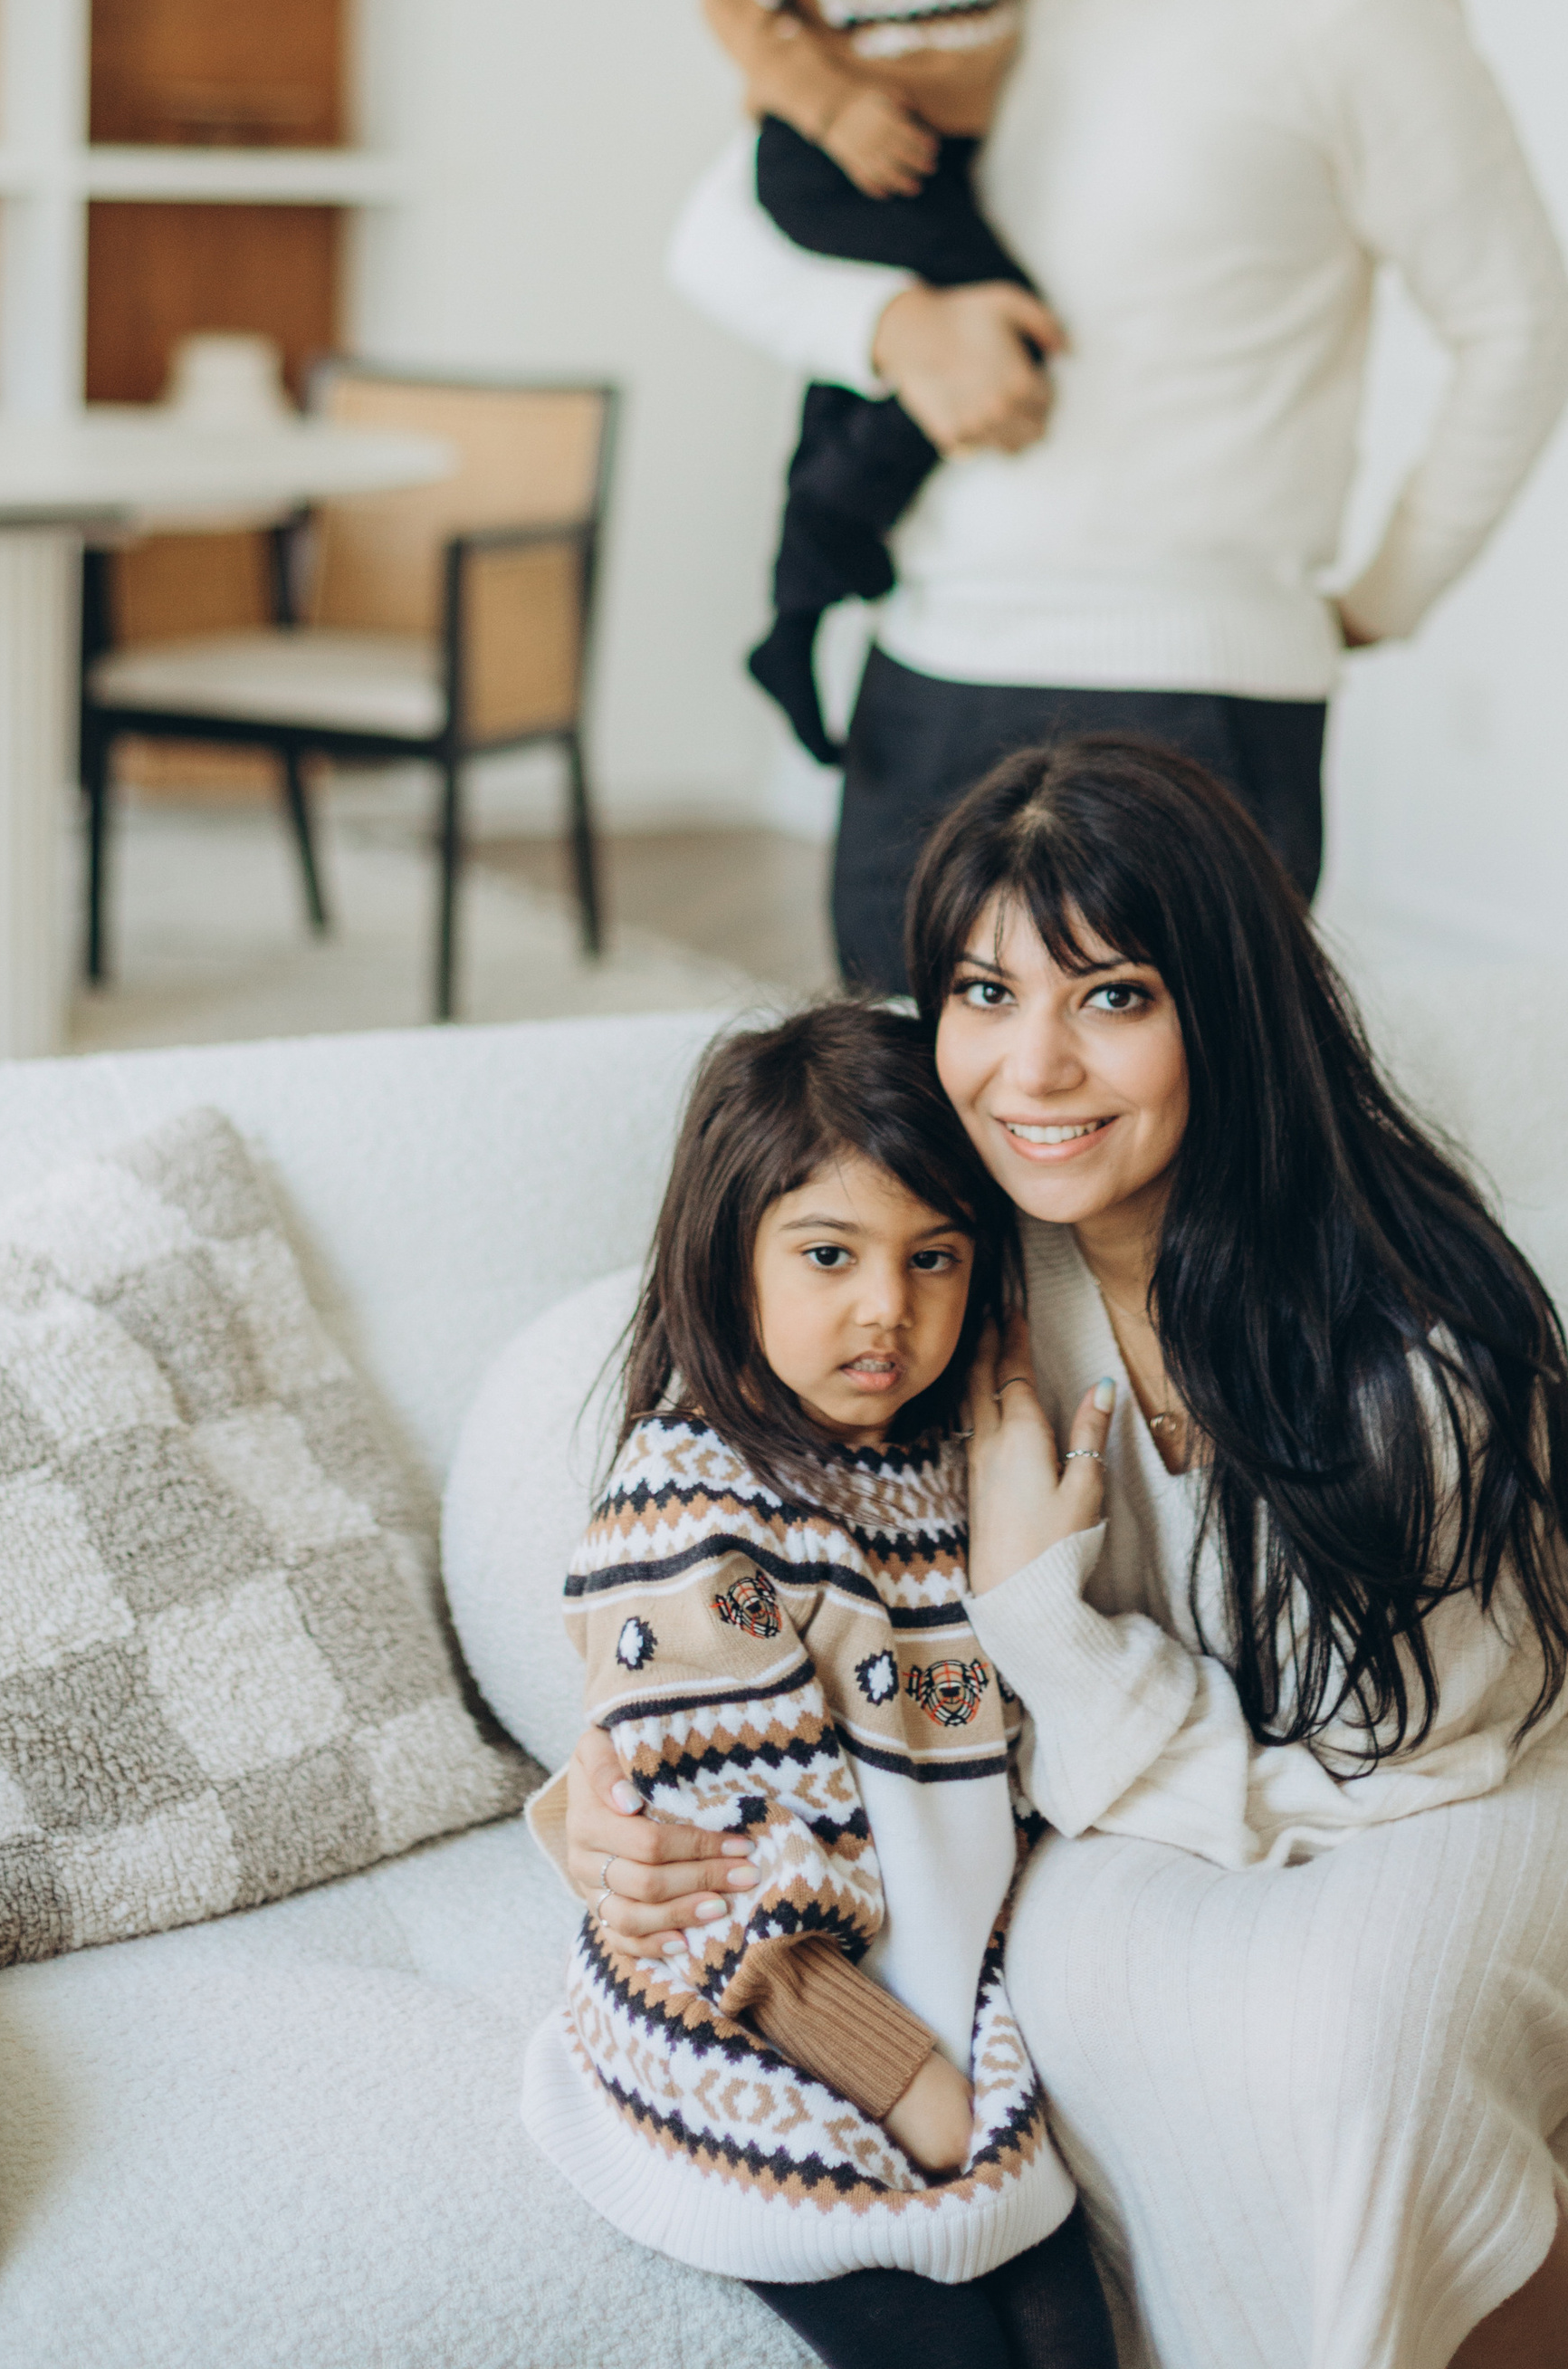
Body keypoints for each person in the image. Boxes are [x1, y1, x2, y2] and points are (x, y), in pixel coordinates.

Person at [553, 742, 1568, 2369]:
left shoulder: (1401, 1352)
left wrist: (1039, 1626)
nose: (1034, 1067)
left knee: (1361, 2058)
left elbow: (1394, 1771)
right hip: (1158, 1794)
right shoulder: (955, 1260)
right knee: (1082, 2037)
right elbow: (693, 1445)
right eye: (985, 994)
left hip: (1500, 1770)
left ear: (1223, 1007)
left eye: (1114, 996)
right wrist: (618, 1788)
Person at [673, 0, 1568, 992]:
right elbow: (718, 231)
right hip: (932, 665)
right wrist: (899, 327)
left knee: (1181, 1128)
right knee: (903, 1108)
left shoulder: (1368, 10)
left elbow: (1523, 329)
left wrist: (1382, 600)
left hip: (1203, 696)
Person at [522, 999, 1120, 2369]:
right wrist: (909, 2084)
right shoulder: (691, 1511)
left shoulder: (933, 1466)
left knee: (1073, 2332)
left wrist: (1033, 1561)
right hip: (753, 2024)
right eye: (830, 1254)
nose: (886, 1309)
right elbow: (723, 1882)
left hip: (936, 2000)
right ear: (728, 1258)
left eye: (935, 1258)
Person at [706, 0, 1068, 766]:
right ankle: (836, 524)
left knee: (845, 388)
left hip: (932, 159)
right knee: (1006, 325)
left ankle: (793, 622)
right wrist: (832, 109)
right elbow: (740, 0)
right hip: (837, 152)